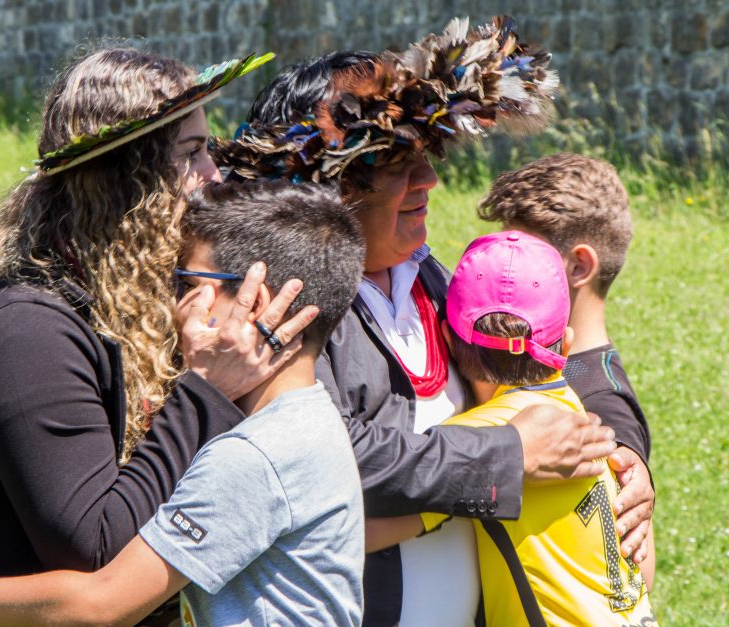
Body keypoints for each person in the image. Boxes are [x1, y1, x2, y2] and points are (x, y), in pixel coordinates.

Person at [215, 16, 654, 625]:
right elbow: (324, 457)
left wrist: (621, 454)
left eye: (425, 155)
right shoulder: (286, 309)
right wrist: (503, 455)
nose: (430, 179)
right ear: (332, 181)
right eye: (398, 163)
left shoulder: (431, 280)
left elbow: (549, 356)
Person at [0, 47, 311, 626]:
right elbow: (95, 553)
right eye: (191, 154)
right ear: (125, 182)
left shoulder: (133, 297)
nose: (213, 177)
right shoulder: (23, 331)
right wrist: (206, 391)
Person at [0, 180, 368, 626]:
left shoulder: (252, 457)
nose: (170, 300)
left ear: (255, 303)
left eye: (187, 281)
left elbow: (102, 604)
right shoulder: (312, 419)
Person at [366, 230, 657, 626]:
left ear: (448, 340)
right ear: (566, 345)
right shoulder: (581, 417)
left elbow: (364, 532)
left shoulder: (489, 437)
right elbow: (646, 568)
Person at [477, 152, 655, 565]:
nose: (503, 267)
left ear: (578, 266)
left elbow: (635, 574)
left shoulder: (600, 402)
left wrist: (630, 467)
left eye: (521, 254)